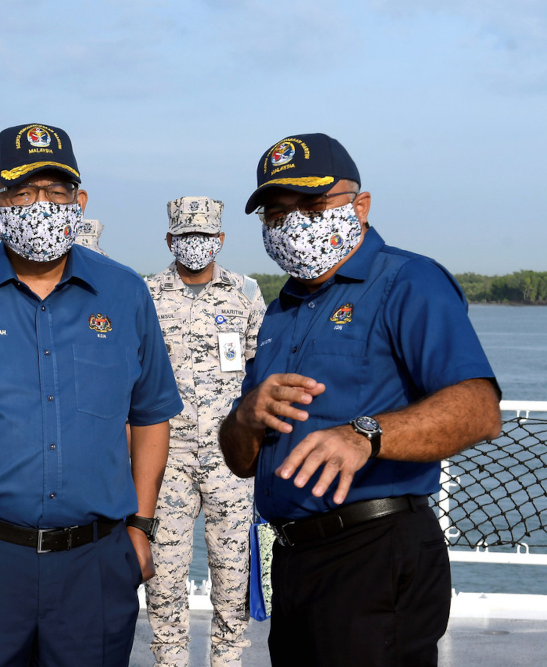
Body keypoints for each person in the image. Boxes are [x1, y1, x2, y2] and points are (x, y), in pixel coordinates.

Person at [0, 123, 183, 666]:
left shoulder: (126, 294)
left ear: (79, 201)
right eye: (21, 193)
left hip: (95, 561)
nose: (40, 205)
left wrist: (140, 527)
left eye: (56, 191)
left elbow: (152, 413)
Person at [218, 133, 502, 666]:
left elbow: (479, 410)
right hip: (295, 558)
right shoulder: (280, 310)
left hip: (375, 549)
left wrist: (366, 434)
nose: (292, 223)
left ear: (360, 205)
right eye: (276, 214)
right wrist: (245, 416)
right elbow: (239, 459)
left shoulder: (408, 281)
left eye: (311, 203)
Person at [144, 197, 265, 667]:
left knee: (232, 573)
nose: (195, 245)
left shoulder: (245, 293)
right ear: (171, 239)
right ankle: (170, 662)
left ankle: (228, 662)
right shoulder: (147, 295)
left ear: (220, 239)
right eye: (186, 236)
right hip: (166, 455)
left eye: (204, 236)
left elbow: (260, 368)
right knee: (164, 576)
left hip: (230, 456)